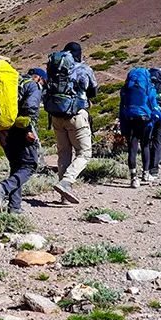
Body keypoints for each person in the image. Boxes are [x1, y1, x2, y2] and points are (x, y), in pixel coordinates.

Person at [0, 68, 46, 215]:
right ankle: (3, 188)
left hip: (2, 129)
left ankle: (14, 207)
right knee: (30, 165)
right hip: (21, 130)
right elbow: (31, 106)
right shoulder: (32, 85)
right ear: (39, 78)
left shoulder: (11, 84)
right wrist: (29, 129)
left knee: (16, 166)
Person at [47, 42, 97, 205]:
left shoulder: (56, 67)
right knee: (84, 153)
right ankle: (66, 182)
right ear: (79, 53)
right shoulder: (84, 69)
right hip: (76, 115)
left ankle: (64, 196)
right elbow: (93, 92)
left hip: (56, 116)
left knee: (64, 153)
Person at [119, 67, 161, 188]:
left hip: (129, 119)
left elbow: (122, 107)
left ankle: (133, 178)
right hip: (144, 120)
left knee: (132, 149)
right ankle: (145, 173)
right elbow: (154, 105)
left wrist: (122, 122)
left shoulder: (125, 89)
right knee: (145, 146)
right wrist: (160, 117)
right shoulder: (149, 88)